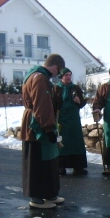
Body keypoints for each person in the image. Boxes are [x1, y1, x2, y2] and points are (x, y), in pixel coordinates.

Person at [21, 54, 67, 209]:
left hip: (37, 121)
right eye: (58, 72)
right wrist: (48, 128)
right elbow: (42, 105)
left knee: (48, 161)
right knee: (37, 162)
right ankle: (37, 197)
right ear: (55, 67)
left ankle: (49, 193)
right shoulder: (40, 78)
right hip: (37, 126)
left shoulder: (34, 75)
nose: (57, 75)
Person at [53, 67, 87, 175]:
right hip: (62, 119)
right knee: (63, 142)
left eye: (69, 75)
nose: (68, 77)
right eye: (66, 75)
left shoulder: (75, 88)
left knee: (76, 142)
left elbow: (83, 102)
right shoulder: (56, 88)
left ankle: (78, 166)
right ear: (61, 77)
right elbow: (53, 104)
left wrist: (79, 101)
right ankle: (61, 166)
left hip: (74, 120)